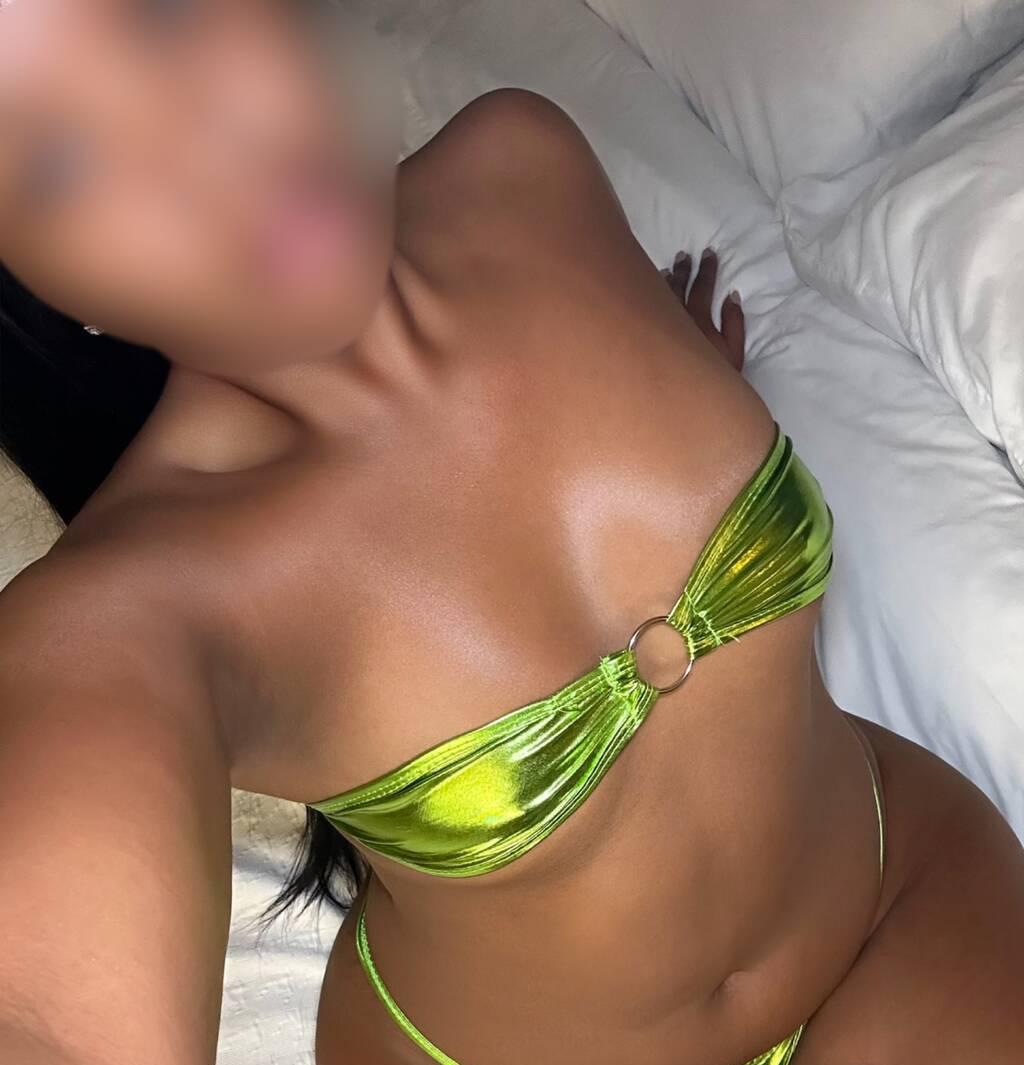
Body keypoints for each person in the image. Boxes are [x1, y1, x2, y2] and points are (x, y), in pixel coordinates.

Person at [1, 3, 1022, 1064]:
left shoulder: (525, 159)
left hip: (899, 899)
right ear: (39, 285)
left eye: (158, 15)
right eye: (59, 162)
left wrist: (687, 394)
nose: (198, 148)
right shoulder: (136, 605)